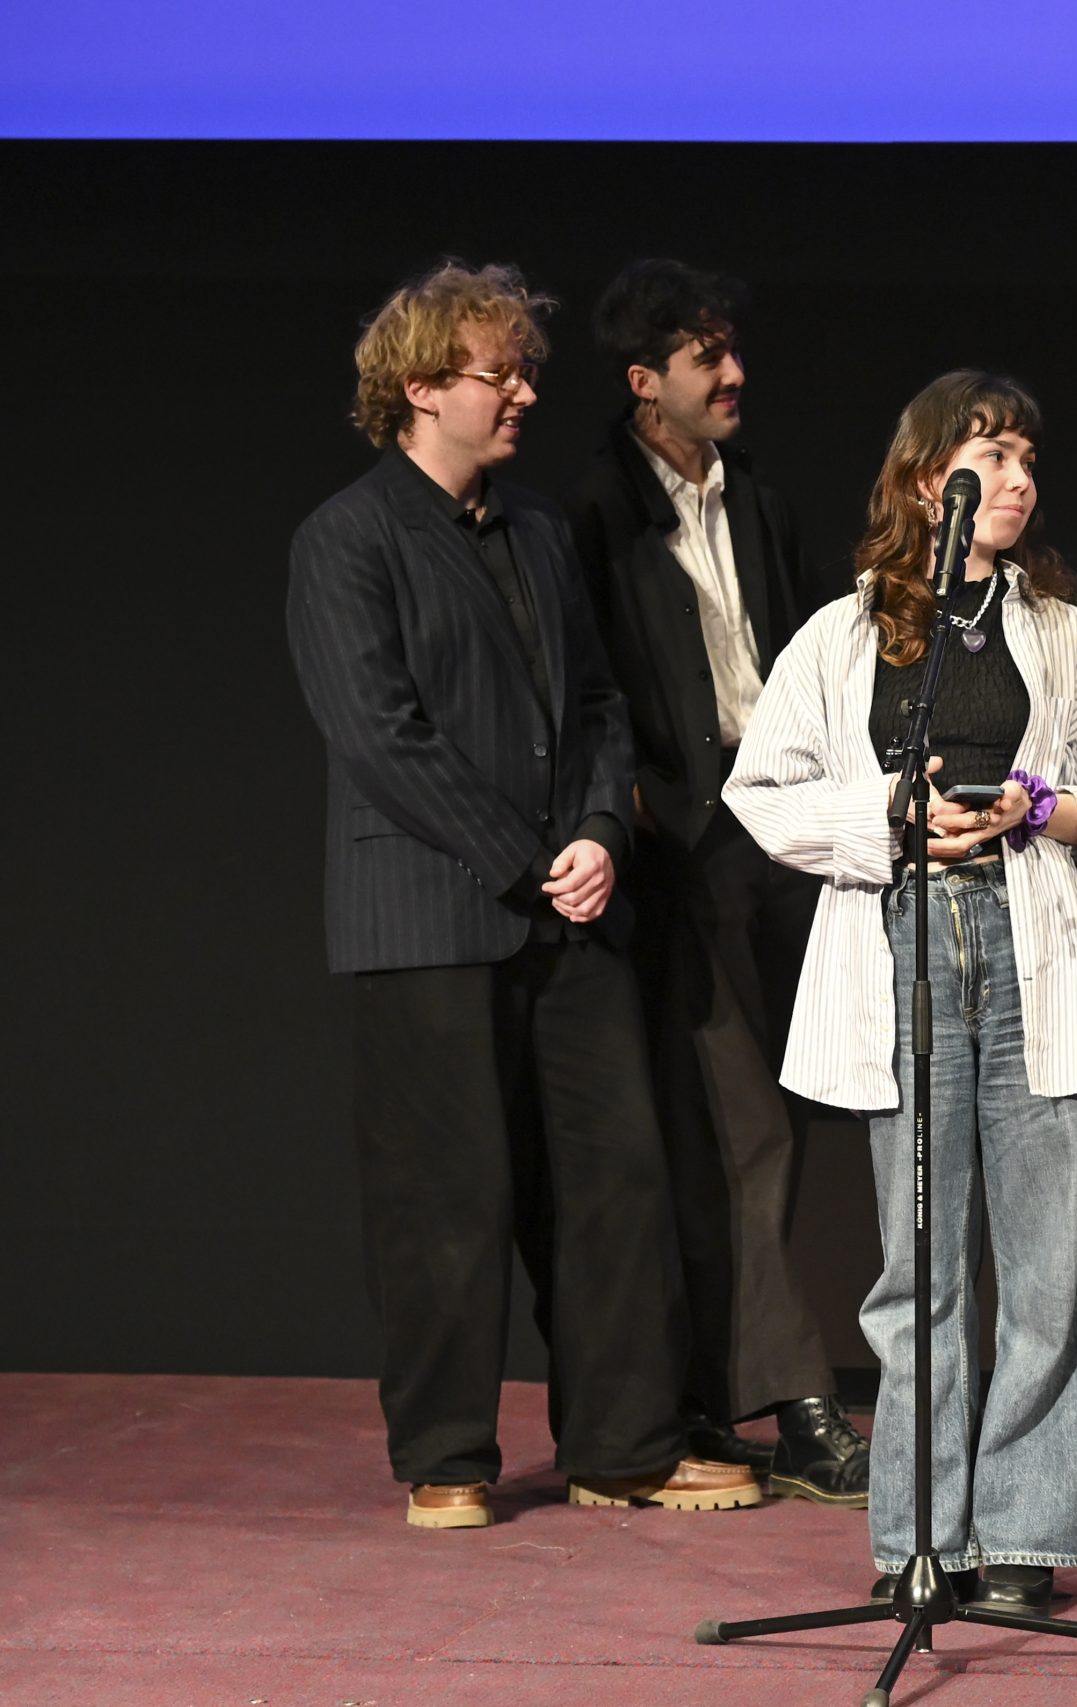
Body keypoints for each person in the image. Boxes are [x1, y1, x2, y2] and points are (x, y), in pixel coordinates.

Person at [285, 259, 760, 1527]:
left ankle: (623, 1446)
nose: (524, 398)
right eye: (503, 374)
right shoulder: (347, 538)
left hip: (572, 910)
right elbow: (380, 736)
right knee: (447, 1195)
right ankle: (445, 1459)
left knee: (616, 1179)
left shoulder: (541, 529)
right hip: (432, 919)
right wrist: (521, 859)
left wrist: (603, 827)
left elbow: (599, 706)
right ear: (422, 384)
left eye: (528, 374)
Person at [725, 370, 1077, 1611]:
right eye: (993, 456)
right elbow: (759, 795)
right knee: (917, 1272)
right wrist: (890, 812)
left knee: (1043, 1269)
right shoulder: (844, 635)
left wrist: (1053, 807)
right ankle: (923, 1538)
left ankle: (1026, 1539)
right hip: (906, 942)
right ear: (930, 478)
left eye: (1031, 460)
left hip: (1033, 950)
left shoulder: (1063, 634)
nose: (1020, 482)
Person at [561, 259, 867, 1506]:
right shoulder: (589, 514)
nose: (732, 374)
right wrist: (637, 807)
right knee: (737, 1128)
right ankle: (795, 1405)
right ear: (646, 384)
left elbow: (800, 665)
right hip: (678, 851)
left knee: (788, 1125)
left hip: (781, 838)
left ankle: (744, 1387)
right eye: (703, 356)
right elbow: (586, 691)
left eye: (732, 348)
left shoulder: (764, 503)